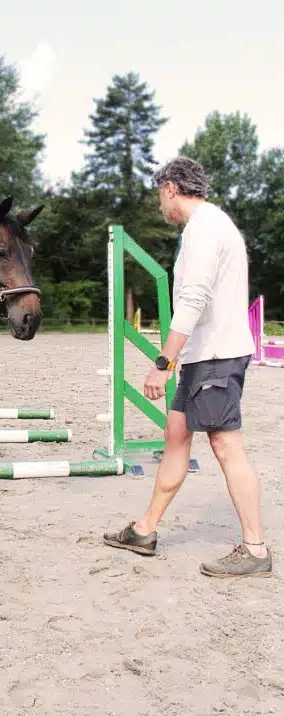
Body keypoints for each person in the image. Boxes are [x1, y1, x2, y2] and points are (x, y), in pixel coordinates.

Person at [104, 156, 271, 578]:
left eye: (160, 197)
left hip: (215, 357)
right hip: (204, 357)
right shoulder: (211, 225)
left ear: (170, 189)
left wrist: (162, 362)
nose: (160, 206)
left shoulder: (203, 229)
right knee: (176, 434)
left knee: (226, 446)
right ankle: (145, 530)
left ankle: (255, 548)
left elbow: (193, 300)